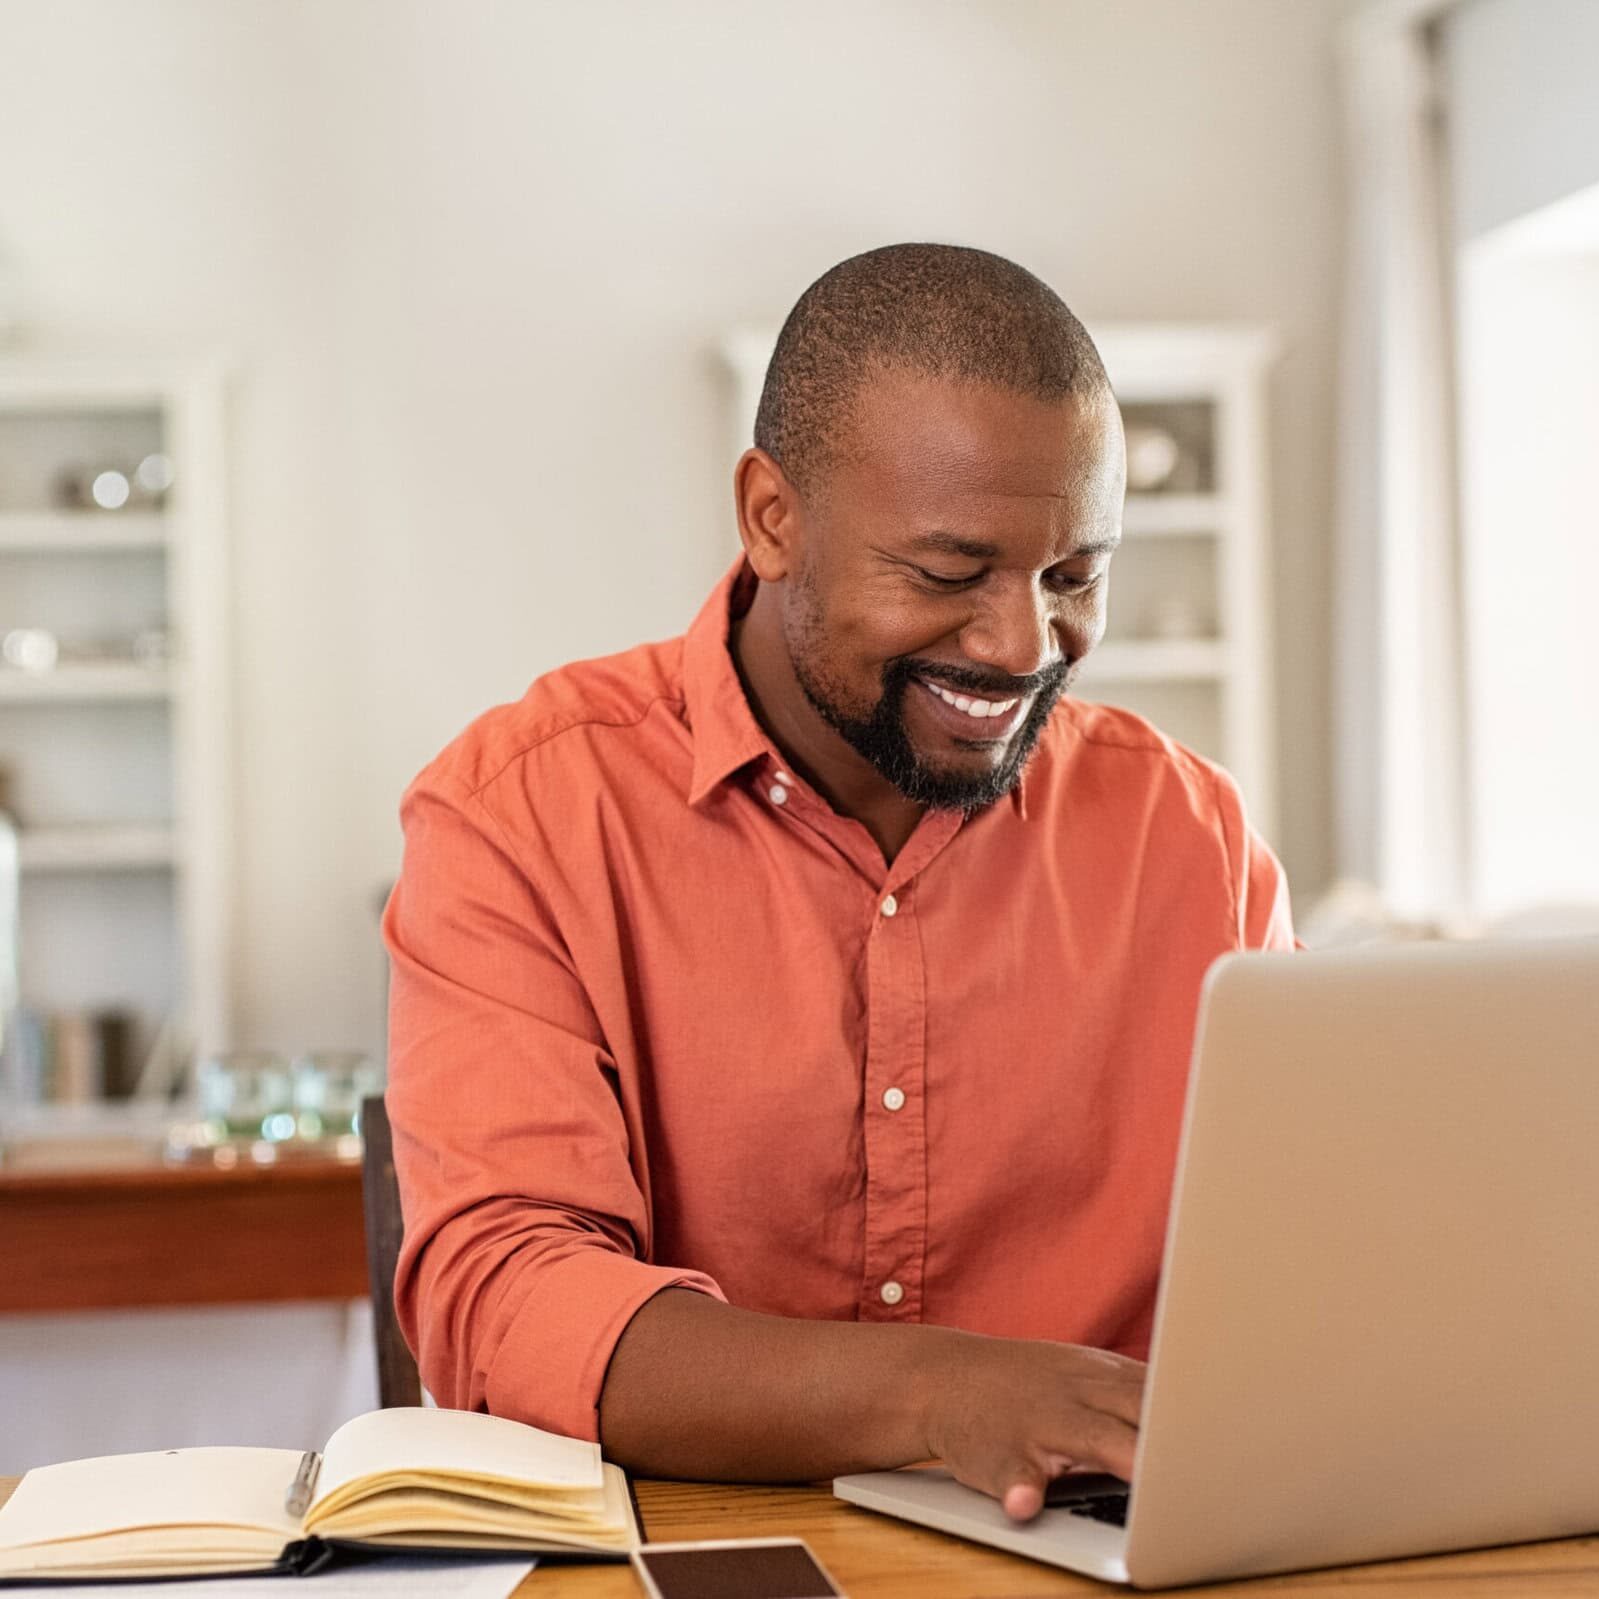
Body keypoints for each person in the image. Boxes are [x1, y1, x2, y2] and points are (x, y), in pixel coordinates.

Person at [383, 243, 1295, 1523]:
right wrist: (941, 1393)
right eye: (948, 572)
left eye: (1075, 576)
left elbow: (1297, 1273)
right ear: (771, 517)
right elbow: (507, 1299)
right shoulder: (521, 812)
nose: (1023, 644)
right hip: (695, 1564)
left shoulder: (1191, 838)